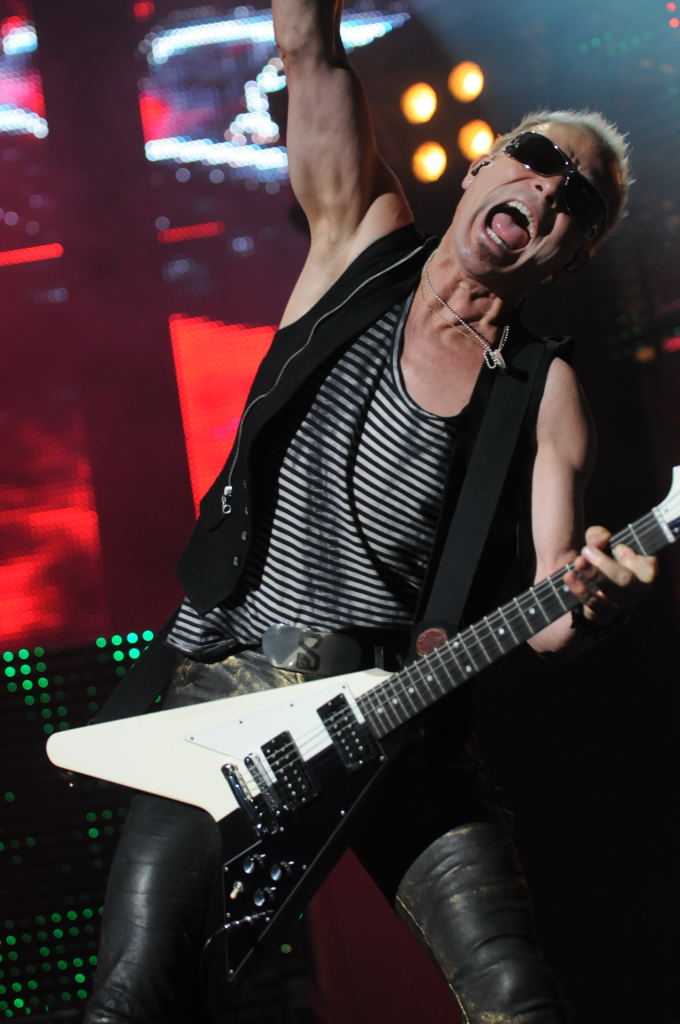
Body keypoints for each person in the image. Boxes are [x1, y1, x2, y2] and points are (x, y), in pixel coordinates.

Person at [83, 2, 658, 1022]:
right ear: (482, 168)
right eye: (535, 158)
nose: (546, 186)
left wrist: (599, 598)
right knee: (133, 997)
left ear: (568, 254)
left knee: (518, 999)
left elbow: (551, 608)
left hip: (401, 721)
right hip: (227, 696)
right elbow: (308, 47)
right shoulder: (359, 240)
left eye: (575, 197)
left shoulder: (543, 389)